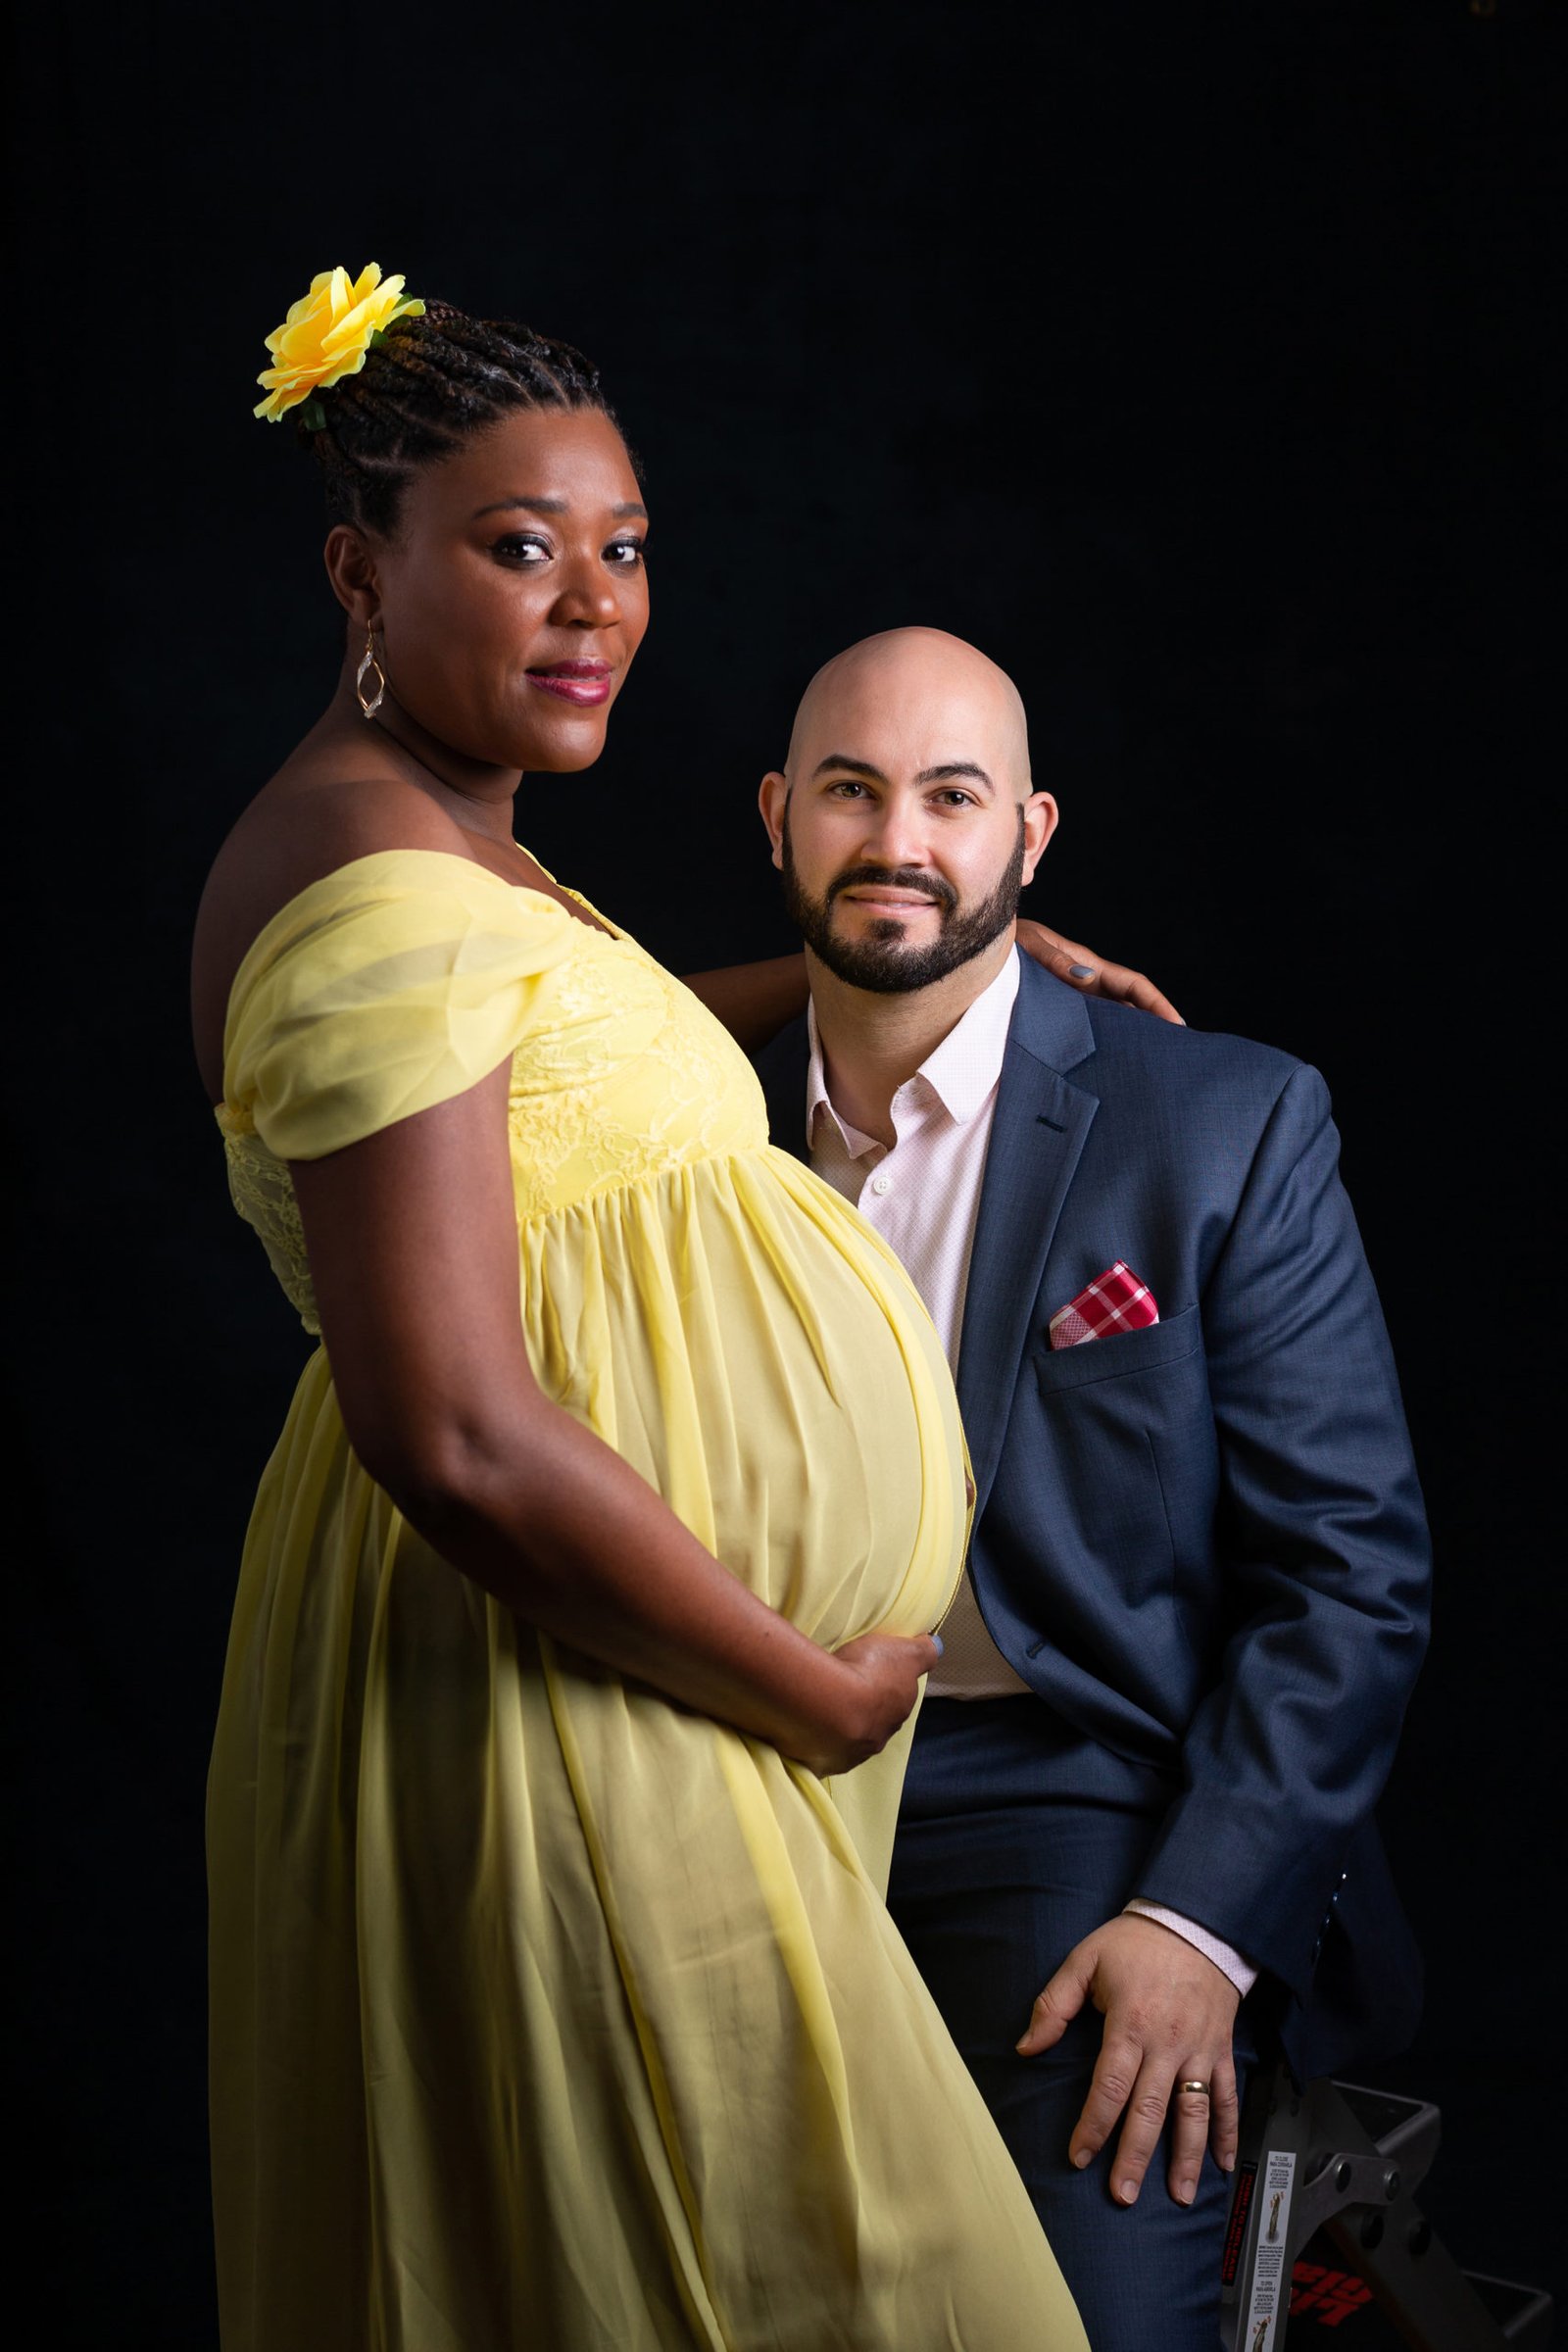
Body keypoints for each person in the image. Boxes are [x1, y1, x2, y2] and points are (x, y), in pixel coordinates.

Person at [197, 269, 1161, 2349]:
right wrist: (798, 1689)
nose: (592, 607)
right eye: (516, 548)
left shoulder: (442, 845)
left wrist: (942, 965)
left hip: (627, 1682)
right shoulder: (370, 880)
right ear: (362, 574)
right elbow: (455, 1435)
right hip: (572, 1694)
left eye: (622, 550)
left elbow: (568, 1063)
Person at [754, 627, 1432, 2352]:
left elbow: (1351, 1572)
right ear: (776, 817)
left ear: (1030, 833)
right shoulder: (686, 1126)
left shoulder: (1221, 1121)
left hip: (1070, 1794)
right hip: (732, 1786)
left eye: (951, 797)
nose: (898, 840)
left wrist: (1200, 1925)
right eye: (850, 791)